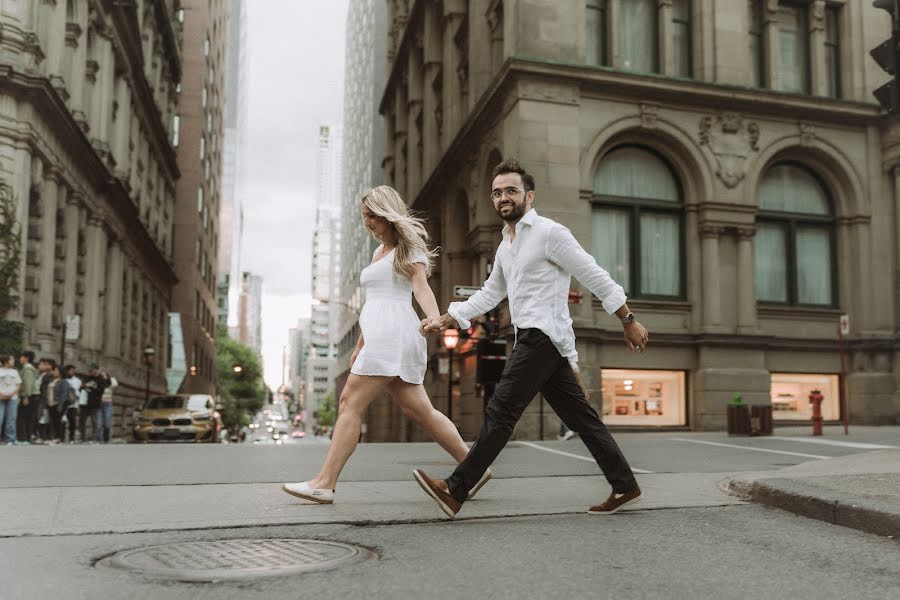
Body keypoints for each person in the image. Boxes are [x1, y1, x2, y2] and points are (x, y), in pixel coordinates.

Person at [415, 158, 649, 519]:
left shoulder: (550, 233)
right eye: (497, 193)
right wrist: (449, 317)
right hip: (541, 342)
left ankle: (456, 488)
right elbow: (490, 293)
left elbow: (593, 273)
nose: (503, 197)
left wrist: (627, 318)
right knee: (583, 420)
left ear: (529, 196)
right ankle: (624, 485)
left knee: (501, 410)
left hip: (541, 337)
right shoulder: (505, 246)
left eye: (511, 190)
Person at [282, 185, 491, 504]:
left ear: (388, 215)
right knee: (420, 410)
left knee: (349, 403)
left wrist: (434, 317)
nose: (367, 222)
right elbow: (374, 303)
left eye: (372, 216)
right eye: (364, 216)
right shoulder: (378, 252)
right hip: (380, 335)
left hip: (394, 333)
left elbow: (420, 288)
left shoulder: (408, 249)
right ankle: (474, 469)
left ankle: (324, 482)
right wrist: (360, 344)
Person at [16, 352, 39, 444]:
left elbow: (27, 383)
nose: (20, 359)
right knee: (29, 418)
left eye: (21, 357)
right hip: (33, 395)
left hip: (29, 395)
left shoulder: (27, 369)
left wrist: (26, 396)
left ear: (26, 358)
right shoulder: (29, 368)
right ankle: (27, 437)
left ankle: (22, 438)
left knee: (22, 417)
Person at [0, 354, 22, 445]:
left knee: (11, 419)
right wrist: (1, 394)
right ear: (6, 361)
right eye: (11, 359)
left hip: (12, 398)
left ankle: (10, 439)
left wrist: (12, 393)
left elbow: (18, 384)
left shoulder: (14, 372)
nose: (13, 361)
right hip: (1, 397)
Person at [96, 371, 117, 443]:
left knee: (107, 423)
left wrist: (109, 378)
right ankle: (99, 440)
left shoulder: (110, 385)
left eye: (104, 375)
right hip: (99, 405)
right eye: (101, 375)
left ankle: (106, 439)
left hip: (108, 405)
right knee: (99, 423)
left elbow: (115, 383)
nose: (103, 376)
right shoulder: (98, 384)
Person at [63, 365, 81, 443]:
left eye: (73, 370)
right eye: (70, 370)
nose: (72, 372)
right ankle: (62, 436)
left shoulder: (77, 380)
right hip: (64, 403)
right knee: (62, 421)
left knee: (72, 420)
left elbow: (77, 391)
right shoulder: (63, 380)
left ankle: (71, 437)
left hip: (74, 404)